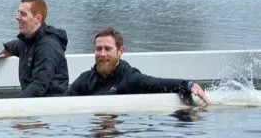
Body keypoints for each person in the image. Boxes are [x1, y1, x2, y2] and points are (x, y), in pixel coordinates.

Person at [69, 27, 211, 105]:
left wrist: (187, 85)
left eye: (107, 48)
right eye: (98, 49)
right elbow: (62, 100)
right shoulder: (85, 80)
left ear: (120, 51)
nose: (102, 54)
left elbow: (157, 83)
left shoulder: (130, 78)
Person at [0, 0, 69, 97]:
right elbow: (16, 45)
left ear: (37, 18)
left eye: (23, 14)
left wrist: (12, 105)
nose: (17, 17)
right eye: (18, 13)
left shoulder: (47, 48)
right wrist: (7, 48)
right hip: (33, 105)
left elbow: (39, 86)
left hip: (48, 108)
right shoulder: (28, 40)